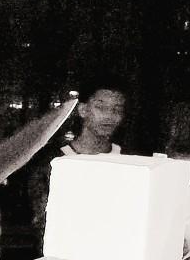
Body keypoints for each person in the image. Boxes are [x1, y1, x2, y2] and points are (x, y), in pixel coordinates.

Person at [27, 72, 130, 243]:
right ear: (83, 110)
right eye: (101, 107)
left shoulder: (129, 160)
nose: (109, 116)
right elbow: (43, 223)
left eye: (116, 110)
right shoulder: (55, 163)